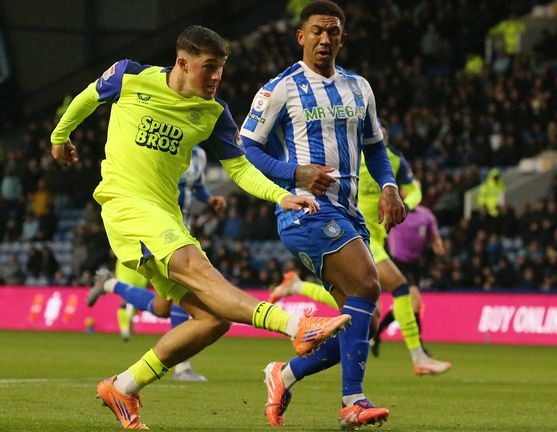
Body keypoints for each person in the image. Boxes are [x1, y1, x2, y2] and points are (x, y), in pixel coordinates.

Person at [50, 25, 350, 429]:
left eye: (221, 69)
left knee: (211, 319)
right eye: (208, 68)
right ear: (182, 63)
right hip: (126, 205)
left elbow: (240, 168)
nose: (216, 78)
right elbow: (88, 96)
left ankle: (122, 386)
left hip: (165, 214)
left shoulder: (213, 113)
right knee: (200, 270)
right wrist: (60, 136)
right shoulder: (129, 76)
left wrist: (280, 194)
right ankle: (297, 327)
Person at [241, 2, 406, 427]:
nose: (324, 39)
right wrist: (293, 172)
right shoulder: (281, 88)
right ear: (301, 36)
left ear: (342, 38)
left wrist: (388, 185)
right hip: (306, 212)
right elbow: (246, 147)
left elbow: (374, 147)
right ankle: (353, 401)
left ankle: (284, 374)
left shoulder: (359, 87)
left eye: (333, 32)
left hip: (349, 214)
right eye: (316, 31)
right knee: (369, 285)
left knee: (358, 327)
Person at [270, 130, 451, 376]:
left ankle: (297, 289)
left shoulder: (391, 160)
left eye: (382, 134)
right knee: (399, 287)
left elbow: (414, 188)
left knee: (359, 302)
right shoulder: (349, 153)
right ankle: (417, 357)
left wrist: (405, 203)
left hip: (375, 237)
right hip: (352, 233)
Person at [87, 145, 225, 382]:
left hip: (183, 230)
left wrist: (209, 198)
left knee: (162, 308)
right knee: (187, 289)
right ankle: (182, 368)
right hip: (159, 230)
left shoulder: (200, 154)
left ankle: (110, 284)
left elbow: (197, 185)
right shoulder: (165, 144)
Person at [372, 204, 446, 357]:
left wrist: (438, 244)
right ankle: (419, 346)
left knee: (410, 305)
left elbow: (434, 235)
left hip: (416, 265)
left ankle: (377, 334)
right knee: (416, 303)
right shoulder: (395, 208)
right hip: (399, 262)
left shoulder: (425, 214)